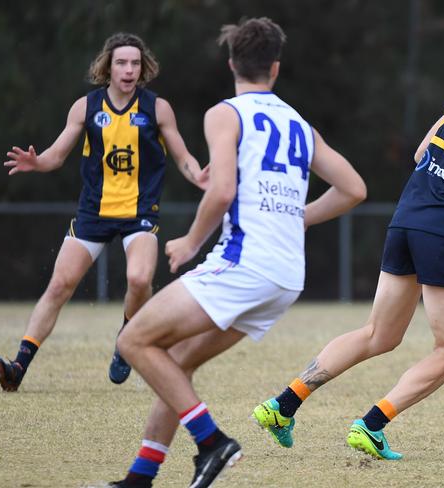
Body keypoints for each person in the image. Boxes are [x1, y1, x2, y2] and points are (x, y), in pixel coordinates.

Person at [253, 27, 444, 460]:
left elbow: (421, 153)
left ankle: (282, 406)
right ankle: (371, 425)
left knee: (379, 334)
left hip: (408, 217)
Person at [108, 17, 366, 488]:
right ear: (275, 68)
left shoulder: (225, 113)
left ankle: (212, 443)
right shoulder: (299, 123)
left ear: (231, 64)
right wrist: (296, 217)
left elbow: (222, 190)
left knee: (133, 341)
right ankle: (140, 477)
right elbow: (353, 188)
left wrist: (189, 241)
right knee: (177, 360)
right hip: (287, 277)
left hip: (246, 263)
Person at [0, 33, 208, 392]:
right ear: (108, 67)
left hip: (139, 212)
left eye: (135, 63)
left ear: (143, 69)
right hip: (94, 212)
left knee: (140, 279)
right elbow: (57, 155)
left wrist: (197, 173)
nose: (128, 69)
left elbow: (183, 156)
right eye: (121, 63)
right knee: (60, 285)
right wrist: (37, 161)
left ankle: (126, 341)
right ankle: (17, 368)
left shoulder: (157, 108)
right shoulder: (86, 107)